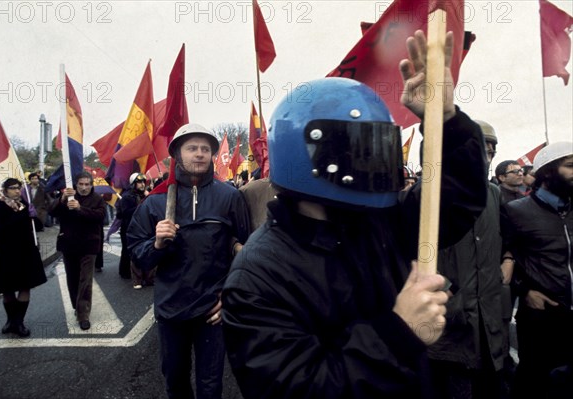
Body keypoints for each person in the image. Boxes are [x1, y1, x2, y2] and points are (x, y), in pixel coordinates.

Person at [221, 30, 488, 399]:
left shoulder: (379, 222)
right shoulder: (259, 274)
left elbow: (456, 198)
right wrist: (399, 332)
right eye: (357, 151)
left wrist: (447, 121)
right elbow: (295, 389)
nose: (372, 162)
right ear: (309, 156)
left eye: (378, 147)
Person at [127, 123, 251, 399]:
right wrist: (157, 244)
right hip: (171, 309)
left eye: (205, 149)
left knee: (210, 385)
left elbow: (249, 254)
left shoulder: (230, 196)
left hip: (213, 310)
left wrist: (231, 294)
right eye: (192, 148)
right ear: (177, 155)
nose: (200, 154)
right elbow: (137, 254)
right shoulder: (155, 202)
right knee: (175, 379)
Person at [427, 120, 511, 399]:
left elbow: (505, 239)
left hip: (490, 318)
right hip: (450, 320)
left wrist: (507, 261)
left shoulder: (495, 194)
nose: (486, 157)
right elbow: (406, 253)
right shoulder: (428, 195)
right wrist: (446, 289)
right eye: (479, 149)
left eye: (491, 151)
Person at [501, 141, 573, 399]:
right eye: (570, 166)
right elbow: (503, 256)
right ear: (548, 172)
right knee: (534, 383)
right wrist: (525, 289)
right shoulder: (516, 211)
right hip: (542, 316)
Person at [0, 178, 47, 337]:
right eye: (13, 188)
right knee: (7, 290)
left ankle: (18, 322)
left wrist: (34, 217)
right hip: (6, 253)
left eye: (19, 188)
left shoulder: (24, 205)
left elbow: (38, 227)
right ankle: (10, 320)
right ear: (5, 190)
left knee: (25, 287)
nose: (17, 191)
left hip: (26, 251)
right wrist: (20, 216)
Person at [49, 171, 106, 330]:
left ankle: (83, 314)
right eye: (81, 184)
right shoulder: (68, 196)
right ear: (75, 184)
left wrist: (80, 208)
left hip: (89, 245)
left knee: (85, 280)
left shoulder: (97, 199)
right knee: (72, 278)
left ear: (92, 185)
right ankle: (77, 306)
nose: (84, 187)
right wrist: (61, 199)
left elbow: (100, 216)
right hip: (69, 244)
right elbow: (52, 211)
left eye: (87, 184)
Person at [117, 172, 153, 288]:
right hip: (129, 228)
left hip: (144, 227)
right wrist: (141, 203)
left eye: (143, 182)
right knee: (129, 252)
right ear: (133, 184)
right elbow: (123, 213)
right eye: (139, 183)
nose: (142, 185)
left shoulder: (147, 195)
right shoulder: (127, 197)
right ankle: (127, 273)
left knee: (146, 250)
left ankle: (147, 277)